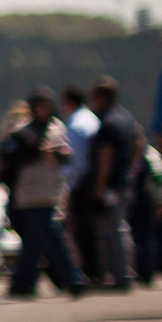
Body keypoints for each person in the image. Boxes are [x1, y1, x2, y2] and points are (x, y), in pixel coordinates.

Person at [0, 89, 83, 299]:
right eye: (39, 107)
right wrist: (37, 151)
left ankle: (21, 283)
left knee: (34, 241)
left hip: (51, 188)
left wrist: (60, 154)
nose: (43, 111)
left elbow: (66, 153)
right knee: (52, 235)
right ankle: (72, 278)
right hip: (29, 193)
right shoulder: (21, 132)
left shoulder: (56, 127)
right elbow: (9, 157)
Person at [83, 79, 143, 289]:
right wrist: (132, 166)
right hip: (126, 181)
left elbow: (105, 157)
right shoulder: (127, 118)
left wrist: (100, 186)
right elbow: (139, 142)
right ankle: (125, 271)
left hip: (111, 185)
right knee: (122, 228)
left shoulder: (107, 123)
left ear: (102, 97)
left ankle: (121, 275)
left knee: (113, 230)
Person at [60, 86, 100, 278]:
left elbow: (76, 159)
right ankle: (97, 270)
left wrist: (68, 179)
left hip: (82, 182)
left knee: (83, 231)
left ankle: (89, 271)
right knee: (95, 230)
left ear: (68, 103)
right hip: (95, 178)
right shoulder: (92, 119)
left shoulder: (75, 125)